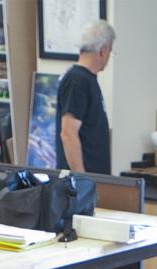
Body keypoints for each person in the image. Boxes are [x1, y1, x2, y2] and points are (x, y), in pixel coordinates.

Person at [56, 20, 114, 175]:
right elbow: (68, 134)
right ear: (103, 51)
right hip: (81, 184)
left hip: (95, 179)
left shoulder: (87, 80)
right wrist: (81, 179)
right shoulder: (77, 81)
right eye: (110, 52)